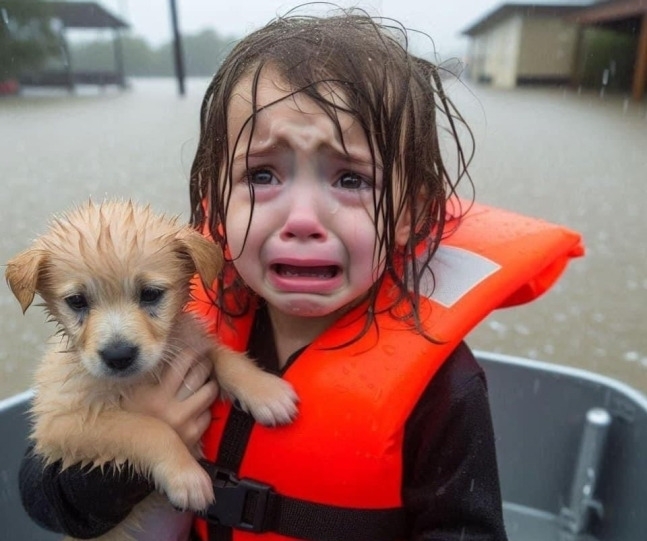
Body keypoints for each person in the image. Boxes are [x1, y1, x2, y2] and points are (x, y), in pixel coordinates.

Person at [19, 6, 572, 541]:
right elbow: (45, 503)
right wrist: (139, 451)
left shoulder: (447, 389)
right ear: (216, 199)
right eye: (262, 173)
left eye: (351, 179)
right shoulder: (183, 314)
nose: (303, 220)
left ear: (412, 214)